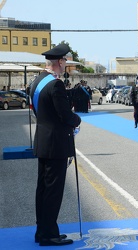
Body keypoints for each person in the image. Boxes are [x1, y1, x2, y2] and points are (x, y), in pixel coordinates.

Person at [29, 44, 81, 246]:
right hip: (56, 143)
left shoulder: (37, 81)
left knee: (42, 189)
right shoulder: (55, 85)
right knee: (53, 190)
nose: (66, 64)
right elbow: (65, 115)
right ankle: (49, 234)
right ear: (60, 62)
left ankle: (42, 230)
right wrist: (77, 120)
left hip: (43, 140)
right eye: (65, 61)